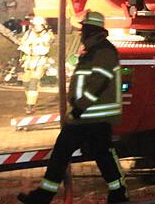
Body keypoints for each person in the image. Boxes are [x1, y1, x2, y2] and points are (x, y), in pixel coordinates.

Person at [18, 11, 126, 203]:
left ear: (93, 31)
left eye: (84, 29)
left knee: (101, 155)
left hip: (94, 116)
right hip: (85, 116)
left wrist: (79, 107)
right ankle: (44, 195)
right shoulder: (93, 51)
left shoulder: (104, 52)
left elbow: (98, 83)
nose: (81, 33)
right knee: (65, 153)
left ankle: (118, 193)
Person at [19, 17, 55, 114]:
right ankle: (30, 102)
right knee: (26, 83)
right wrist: (21, 58)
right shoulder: (28, 34)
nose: (36, 27)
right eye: (34, 25)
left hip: (40, 61)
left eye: (38, 25)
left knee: (33, 83)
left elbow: (49, 42)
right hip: (28, 61)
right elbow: (22, 46)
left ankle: (30, 106)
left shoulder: (48, 35)